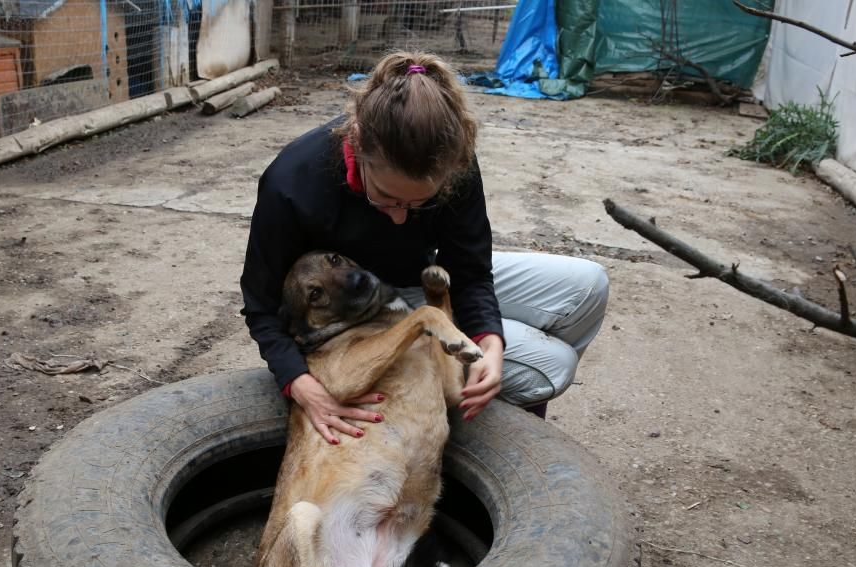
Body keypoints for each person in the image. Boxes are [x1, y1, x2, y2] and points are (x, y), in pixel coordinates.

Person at [240, 50, 608, 445]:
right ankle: (482, 427)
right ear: (359, 140)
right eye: (384, 199)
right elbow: (261, 306)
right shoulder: (292, 181)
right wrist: (299, 382)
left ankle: (485, 407)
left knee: (588, 285)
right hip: (365, 313)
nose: (400, 218)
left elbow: (468, 269)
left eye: (419, 204)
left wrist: (490, 338)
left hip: (423, 278)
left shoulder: (451, 156)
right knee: (551, 366)